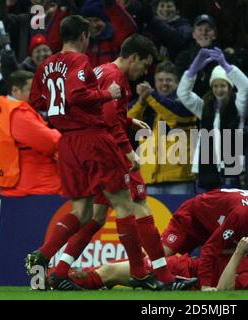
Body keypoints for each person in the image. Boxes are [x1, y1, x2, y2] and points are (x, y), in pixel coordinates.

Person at [24, 15, 161, 291]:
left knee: (84, 212)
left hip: (67, 143)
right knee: (125, 204)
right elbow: (77, 96)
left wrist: (122, 118)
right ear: (84, 36)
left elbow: (37, 102)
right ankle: (140, 273)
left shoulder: (46, 65)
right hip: (92, 141)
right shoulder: (81, 62)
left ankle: (43, 256)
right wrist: (107, 96)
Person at [83, 34, 196, 291]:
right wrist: (127, 151)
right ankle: (155, 275)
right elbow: (110, 119)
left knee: (95, 215)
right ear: (133, 57)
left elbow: (104, 113)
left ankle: (58, 269)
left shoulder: (103, 71)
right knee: (139, 207)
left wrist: (129, 122)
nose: (144, 71)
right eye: (144, 65)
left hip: (92, 151)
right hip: (110, 152)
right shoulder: (116, 78)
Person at [67, 237, 248, 291]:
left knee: (110, 272)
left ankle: (58, 280)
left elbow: (224, 292)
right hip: (182, 266)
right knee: (110, 272)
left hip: (181, 276)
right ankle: (65, 280)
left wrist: (238, 253)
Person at [177, 47, 248, 192]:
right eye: (215, 86)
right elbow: (183, 94)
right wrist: (192, 71)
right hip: (205, 171)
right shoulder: (204, 107)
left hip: (229, 170)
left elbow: (247, 89)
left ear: (230, 87)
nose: (219, 90)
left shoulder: (239, 106)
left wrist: (228, 67)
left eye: (223, 85)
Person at [159, 188, 248, 259]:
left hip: (215, 227)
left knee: (241, 256)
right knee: (158, 259)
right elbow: (210, 250)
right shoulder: (243, 214)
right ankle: (138, 267)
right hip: (193, 218)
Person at [0, 70, 61, 196]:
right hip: (37, 186)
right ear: (16, 90)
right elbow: (50, 142)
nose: (38, 94)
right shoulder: (18, 113)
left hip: (21, 183)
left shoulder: (4, 108)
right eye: (32, 90)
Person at [128, 60, 197, 194]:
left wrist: (151, 95)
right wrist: (141, 101)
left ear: (177, 83)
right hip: (150, 179)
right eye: (160, 80)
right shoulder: (148, 103)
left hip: (179, 180)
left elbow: (176, 117)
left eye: (169, 80)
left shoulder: (186, 102)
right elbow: (129, 122)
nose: (164, 84)